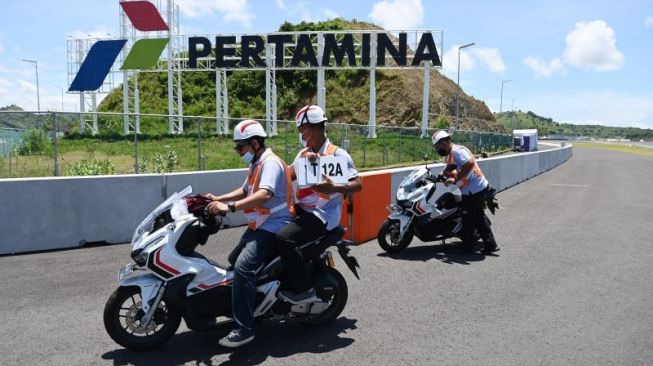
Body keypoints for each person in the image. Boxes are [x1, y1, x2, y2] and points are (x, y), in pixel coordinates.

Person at [206, 119, 294, 348]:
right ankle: (250, 302)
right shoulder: (257, 163)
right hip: (261, 224)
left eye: (240, 147)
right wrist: (219, 198)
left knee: (244, 268)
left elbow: (264, 195)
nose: (238, 151)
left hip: (275, 224)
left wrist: (231, 208)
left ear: (254, 143)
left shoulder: (270, 164)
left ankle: (244, 328)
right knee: (234, 260)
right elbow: (245, 190)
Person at [275, 105, 362, 304]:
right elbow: (288, 176)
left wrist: (335, 187)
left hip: (323, 216)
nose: (300, 134)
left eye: (300, 130)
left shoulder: (338, 154)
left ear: (310, 129)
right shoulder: (303, 154)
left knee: (284, 239)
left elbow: (358, 184)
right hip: (302, 210)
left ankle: (304, 290)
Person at [431, 130, 499, 254]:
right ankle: (490, 245)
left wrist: (455, 178)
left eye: (438, 147)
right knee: (479, 217)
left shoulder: (457, 152)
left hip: (473, 190)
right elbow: (449, 167)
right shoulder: (450, 154)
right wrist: (442, 174)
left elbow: (470, 163)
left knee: (467, 218)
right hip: (476, 188)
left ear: (445, 144)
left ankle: (467, 248)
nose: (437, 149)